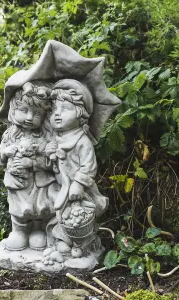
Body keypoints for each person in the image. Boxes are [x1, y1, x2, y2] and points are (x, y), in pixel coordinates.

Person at [44, 79, 108, 259]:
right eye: (55, 110)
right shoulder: (57, 138)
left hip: (80, 190)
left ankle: (82, 244)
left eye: (65, 109)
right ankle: (63, 241)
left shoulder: (82, 141)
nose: (57, 114)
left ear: (81, 115)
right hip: (62, 188)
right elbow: (55, 165)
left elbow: (89, 165)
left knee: (80, 215)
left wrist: (79, 183)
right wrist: (51, 154)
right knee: (62, 215)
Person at [0, 82, 59, 251]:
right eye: (24, 110)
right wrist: (4, 153)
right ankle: (20, 232)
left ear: (45, 116)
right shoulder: (10, 134)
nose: (30, 117)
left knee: (40, 208)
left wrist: (32, 162)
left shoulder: (47, 137)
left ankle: (39, 230)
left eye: (36, 113)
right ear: (14, 110)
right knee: (18, 209)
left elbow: (52, 162)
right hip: (17, 183)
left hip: (39, 183)